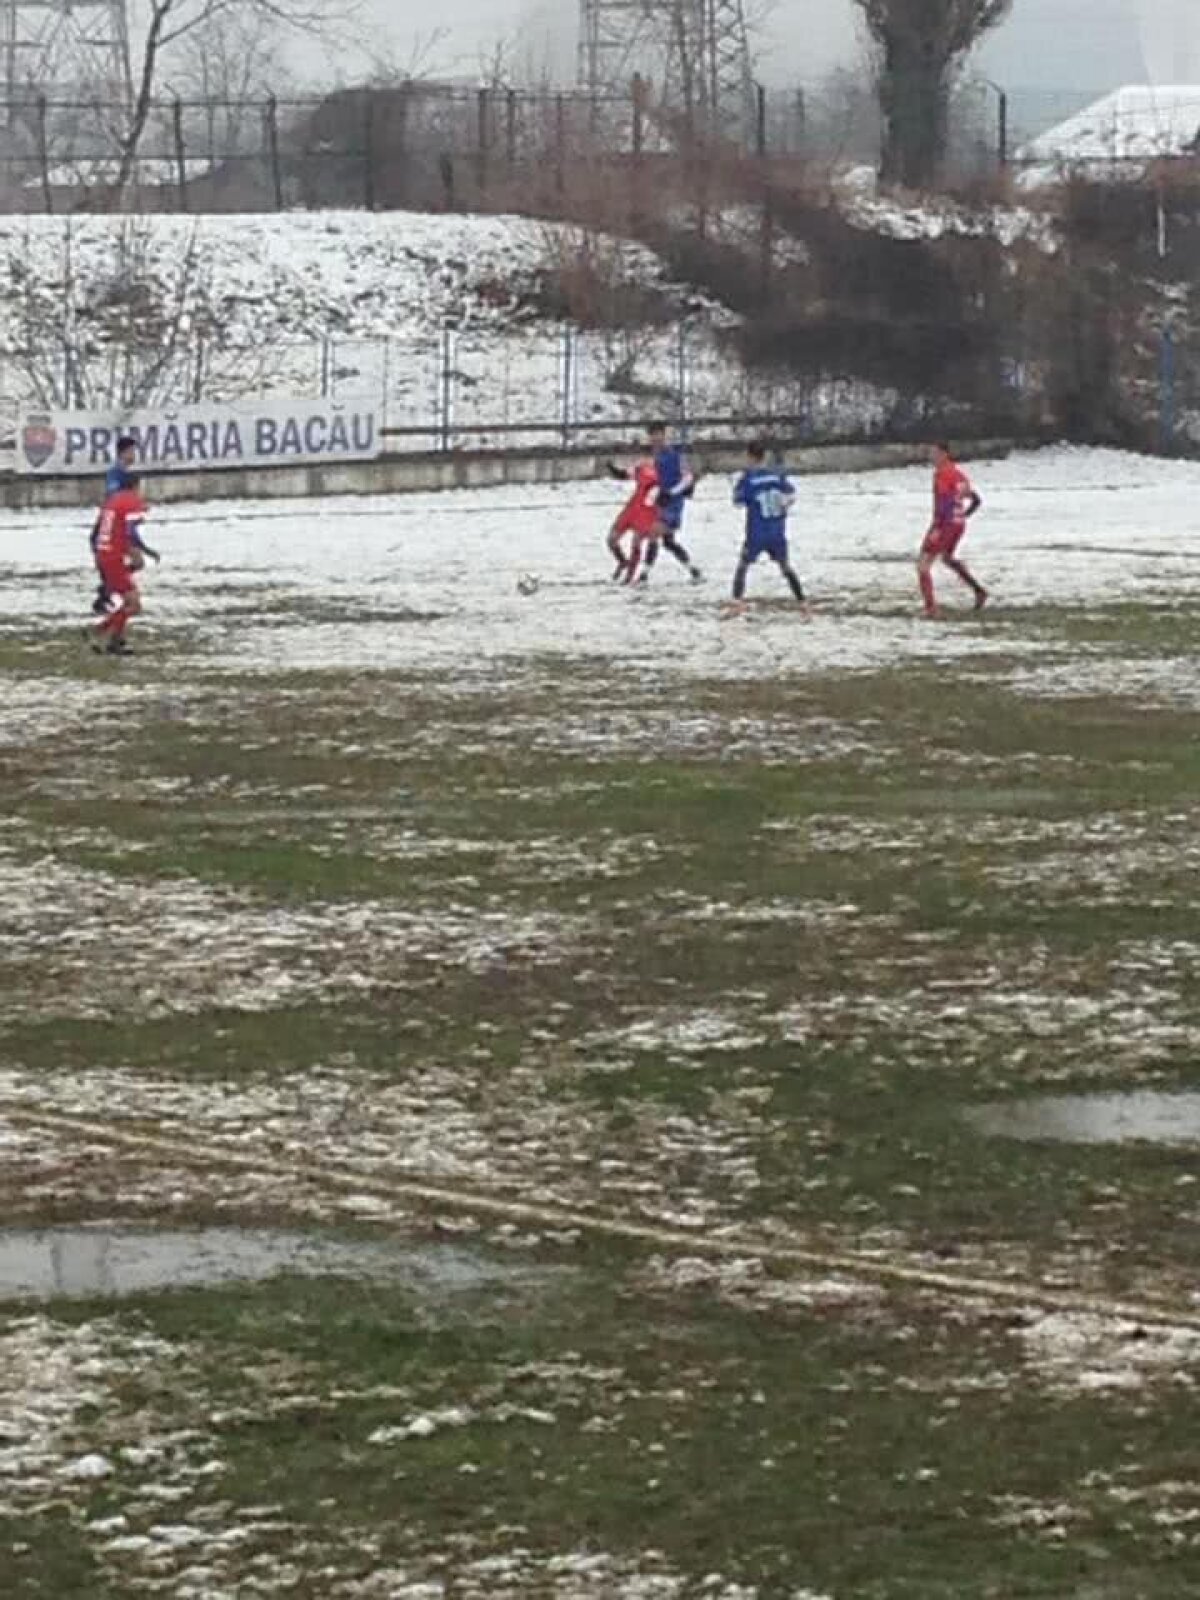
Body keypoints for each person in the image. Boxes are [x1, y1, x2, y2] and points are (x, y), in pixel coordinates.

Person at [726, 442, 809, 618]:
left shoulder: (748, 479)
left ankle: (736, 604)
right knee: (785, 567)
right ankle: (803, 604)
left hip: (757, 532)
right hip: (777, 531)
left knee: (743, 566)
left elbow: (738, 502)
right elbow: (791, 495)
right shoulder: (776, 476)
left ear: (750, 457)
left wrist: (736, 489)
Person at [85, 479, 153, 657]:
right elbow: (130, 532)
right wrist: (137, 553)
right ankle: (98, 631)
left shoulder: (112, 502)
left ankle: (115, 642)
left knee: (126, 599)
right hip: (114, 558)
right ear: (136, 486)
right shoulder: (131, 502)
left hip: (104, 555)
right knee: (133, 604)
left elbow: (98, 532)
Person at [918, 442, 987, 619]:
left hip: (945, 524)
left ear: (944, 454)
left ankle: (931, 609)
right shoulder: (958, 474)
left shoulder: (942, 474)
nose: (930, 456)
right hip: (958, 524)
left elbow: (945, 503)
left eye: (933, 452)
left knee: (923, 565)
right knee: (947, 558)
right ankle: (979, 591)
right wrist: (963, 515)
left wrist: (938, 526)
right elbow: (976, 500)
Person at [641, 421, 703, 585]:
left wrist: (672, 492)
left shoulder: (675, 455)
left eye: (658, 434)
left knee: (654, 532)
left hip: (673, 504)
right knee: (668, 542)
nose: (656, 438)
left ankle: (643, 576)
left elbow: (688, 478)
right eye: (653, 435)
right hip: (659, 503)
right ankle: (694, 570)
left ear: (664, 435)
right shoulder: (652, 458)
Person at [90, 436, 139, 616]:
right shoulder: (116, 473)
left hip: (113, 524)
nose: (134, 455)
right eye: (131, 451)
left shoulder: (123, 473)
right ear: (123, 453)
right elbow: (113, 496)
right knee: (114, 562)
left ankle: (108, 591)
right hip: (109, 525)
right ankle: (106, 594)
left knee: (130, 564)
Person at [605, 454, 661, 584]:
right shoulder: (641, 468)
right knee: (611, 539)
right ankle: (623, 562)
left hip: (648, 512)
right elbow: (624, 475)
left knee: (636, 542)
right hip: (632, 509)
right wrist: (612, 468)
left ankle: (629, 578)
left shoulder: (663, 475)